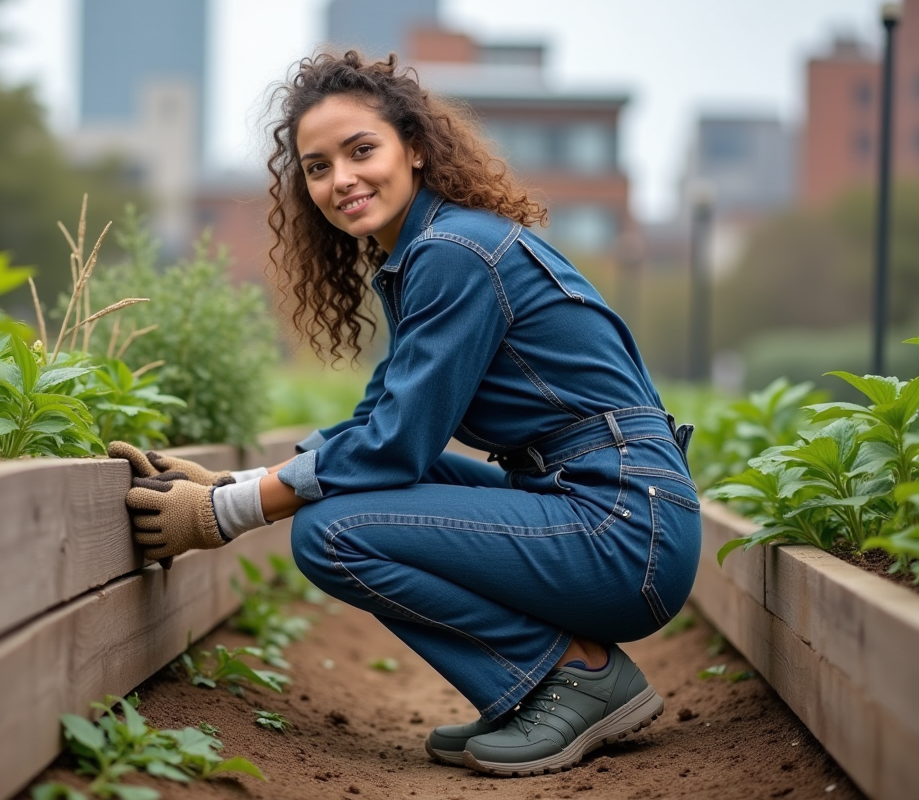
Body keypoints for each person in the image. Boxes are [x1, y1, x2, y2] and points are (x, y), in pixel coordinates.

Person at [116, 50, 702, 779]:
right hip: (607, 507)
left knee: (331, 532)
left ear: (415, 148)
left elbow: (392, 450)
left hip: (624, 529)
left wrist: (224, 514)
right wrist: (226, 481)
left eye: (362, 150)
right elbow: (372, 429)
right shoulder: (429, 253)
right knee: (350, 497)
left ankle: (567, 676)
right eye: (318, 166)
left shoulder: (455, 253)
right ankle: (533, 690)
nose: (342, 179)